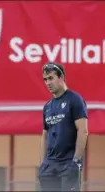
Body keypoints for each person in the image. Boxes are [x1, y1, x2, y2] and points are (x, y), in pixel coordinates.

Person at [38, 61, 88, 191]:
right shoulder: (47, 106)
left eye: (51, 78)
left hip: (68, 164)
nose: (48, 83)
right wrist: (43, 163)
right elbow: (45, 135)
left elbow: (83, 131)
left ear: (61, 78)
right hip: (50, 165)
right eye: (45, 79)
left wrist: (76, 160)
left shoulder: (74, 99)